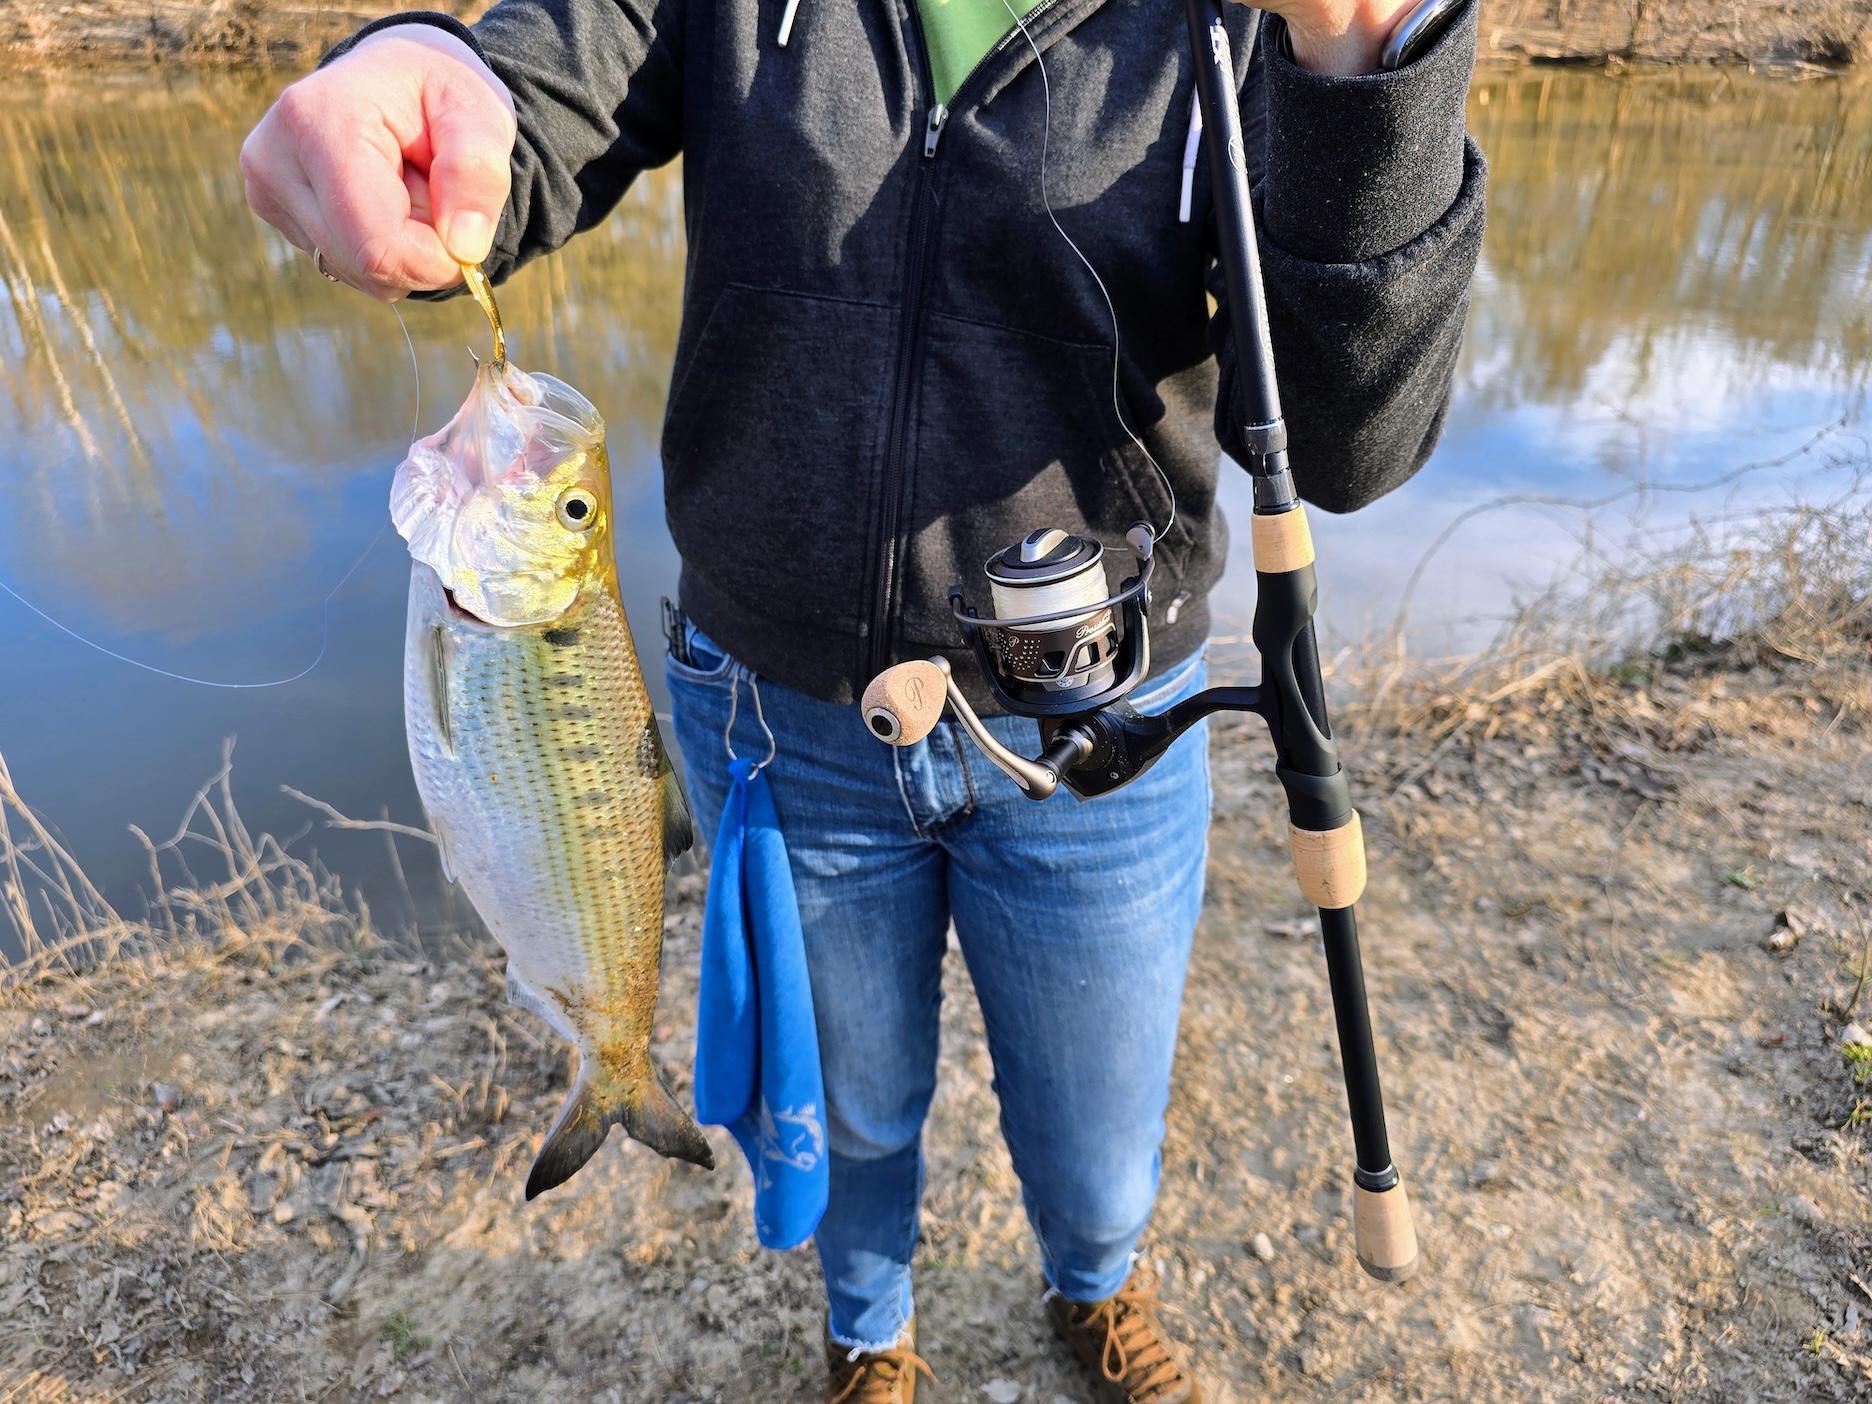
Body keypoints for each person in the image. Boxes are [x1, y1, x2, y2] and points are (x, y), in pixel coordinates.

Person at [242, 0, 1483, 1395]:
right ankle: (869, 1332)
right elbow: (536, 103)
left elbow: (1351, 435)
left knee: (1094, 1119)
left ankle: (1096, 1287)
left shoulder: (1252, 22)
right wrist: (426, 82)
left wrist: (1357, 72)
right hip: (777, 710)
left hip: (1101, 732)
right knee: (847, 1104)